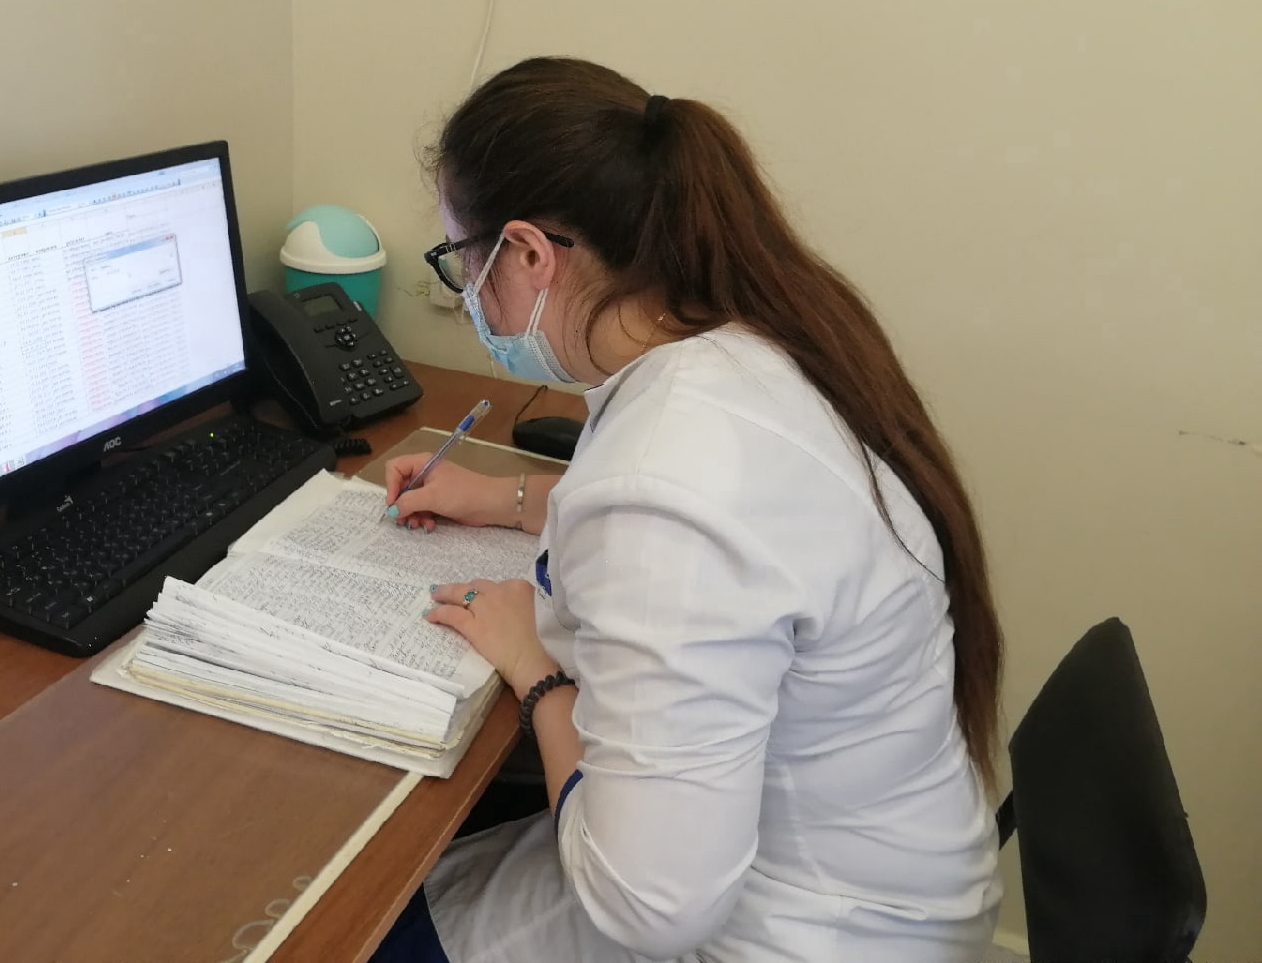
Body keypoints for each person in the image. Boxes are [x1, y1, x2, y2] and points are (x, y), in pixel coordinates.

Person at [369, 58, 1003, 963]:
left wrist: (532, 667)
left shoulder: (666, 479)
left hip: (783, 932)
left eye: (460, 261)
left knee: (357, 925)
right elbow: (719, 529)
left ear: (530, 254)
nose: (464, 291)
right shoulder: (742, 344)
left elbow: (649, 909)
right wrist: (498, 496)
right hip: (881, 870)